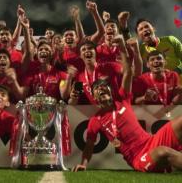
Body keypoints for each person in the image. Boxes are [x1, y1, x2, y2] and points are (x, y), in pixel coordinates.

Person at [72, 35, 182, 173]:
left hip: (152, 141)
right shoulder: (96, 120)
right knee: (162, 152)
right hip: (138, 157)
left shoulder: (123, 99)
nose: (101, 88)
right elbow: (89, 145)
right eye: (96, 89)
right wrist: (83, 164)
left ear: (111, 90)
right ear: (93, 96)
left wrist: (123, 47)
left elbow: (128, 72)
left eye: (103, 86)